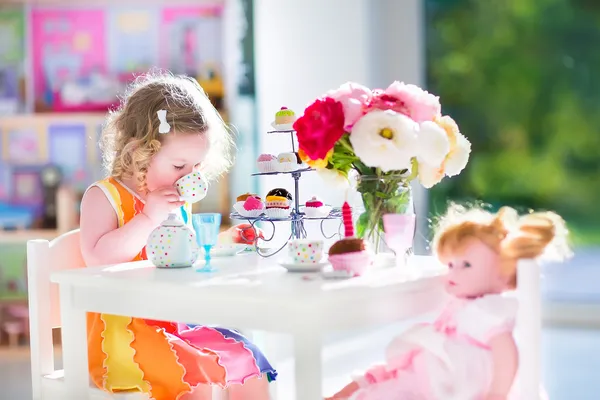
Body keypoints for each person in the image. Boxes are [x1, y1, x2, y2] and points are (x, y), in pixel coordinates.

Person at [80, 71, 275, 400]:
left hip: (176, 328)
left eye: (196, 167)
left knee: (248, 361)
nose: (189, 177)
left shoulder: (174, 202)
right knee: (194, 375)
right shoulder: (104, 197)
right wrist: (147, 217)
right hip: (124, 340)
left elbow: (188, 255)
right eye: (179, 166)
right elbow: (98, 258)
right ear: (139, 151)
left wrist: (224, 243)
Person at [328, 204, 571, 400]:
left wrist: (498, 393)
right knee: (389, 375)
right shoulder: (465, 303)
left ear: (504, 273)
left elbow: (506, 351)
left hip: (454, 378)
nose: (453, 273)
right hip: (435, 367)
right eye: (451, 264)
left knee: (396, 384)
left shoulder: (488, 309)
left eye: (465, 265)